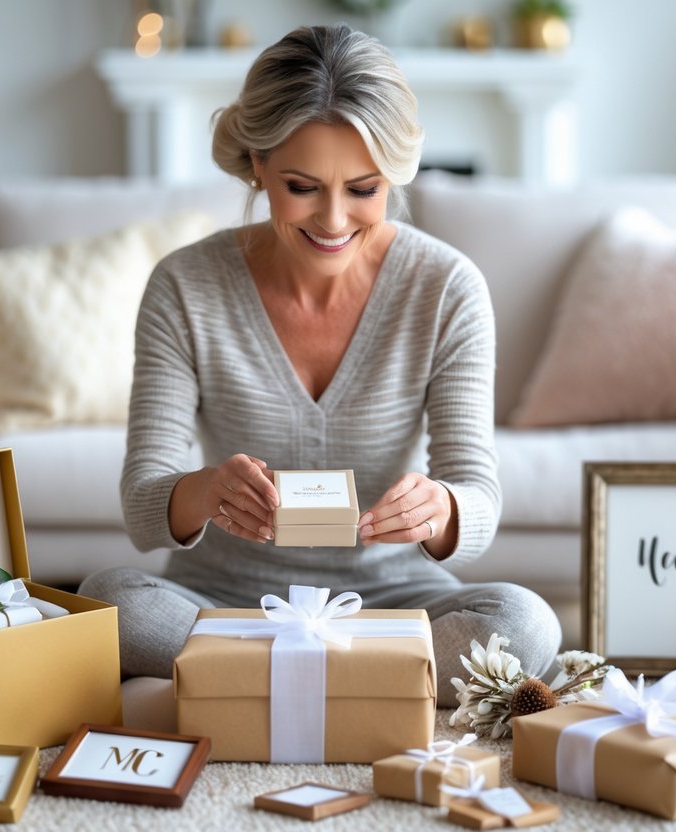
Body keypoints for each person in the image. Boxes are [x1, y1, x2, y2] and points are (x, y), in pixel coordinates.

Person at [79, 23, 561, 703]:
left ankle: (246, 681)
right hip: (223, 594)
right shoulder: (185, 284)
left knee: (526, 624)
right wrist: (207, 489)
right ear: (255, 164)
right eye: (302, 187)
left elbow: (477, 494)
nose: (333, 221)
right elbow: (142, 504)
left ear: (393, 173)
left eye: (363, 189)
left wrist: (440, 507)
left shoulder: (446, 287)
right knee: (106, 601)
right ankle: (370, 689)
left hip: (392, 596)